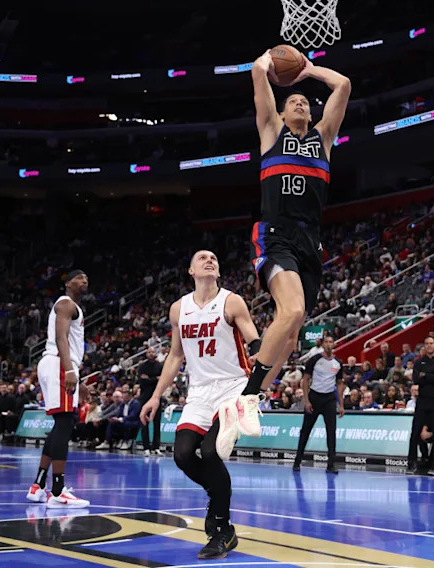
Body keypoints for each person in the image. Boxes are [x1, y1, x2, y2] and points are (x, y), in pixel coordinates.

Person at [218, 50, 351, 451]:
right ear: (281, 106)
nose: (300, 101)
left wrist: (308, 71)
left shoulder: (323, 137)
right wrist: (265, 63)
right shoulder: (271, 131)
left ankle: (240, 408)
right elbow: (258, 72)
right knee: (291, 311)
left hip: (312, 241)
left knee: (292, 336)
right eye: (294, 98)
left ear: (313, 114)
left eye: (306, 101)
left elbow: (342, 84)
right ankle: (247, 396)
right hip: (275, 232)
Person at [141, 250, 261, 560]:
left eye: (214, 259)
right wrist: (155, 395)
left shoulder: (232, 301)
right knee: (182, 454)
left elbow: (255, 342)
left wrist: (263, 370)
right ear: (191, 270)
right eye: (202, 258)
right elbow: (176, 356)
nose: (210, 260)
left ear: (218, 271)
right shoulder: (178, 309)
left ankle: (221, 529)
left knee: (210, 452)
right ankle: (216, 494)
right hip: (200, 391)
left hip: (234, 386)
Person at [25, 270, 91, 508]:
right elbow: (61, 338)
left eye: (86, 278)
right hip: (59, 363)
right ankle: (58, 490)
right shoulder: (65, 303)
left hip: (58, 364)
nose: (85, 280)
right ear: (68, 283)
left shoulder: (69, 305)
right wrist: (70, 370)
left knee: (59, 425)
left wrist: (78, 379)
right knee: (64, 424)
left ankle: (38, 486)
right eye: (79, 277)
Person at [293, 334, 345, 473]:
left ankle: (331, 464)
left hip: (329, 399)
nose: (328, 344)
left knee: (331, 432)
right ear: (323, 344)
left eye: (331, 342)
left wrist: (341, 405)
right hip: (314, 397)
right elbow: (305, 380)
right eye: (326, 342)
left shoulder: (338, 363)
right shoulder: (314, 360)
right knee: (305, 431)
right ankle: (297, 461)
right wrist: (307, 400)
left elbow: (339, 384)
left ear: (334, 344)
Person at [408, 336, 434, 475]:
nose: (429, 346)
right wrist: (433, 375)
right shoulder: (419, 362)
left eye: (431, 343)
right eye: (426, 344)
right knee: (415, 433)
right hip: (422, 401)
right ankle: (411, 463)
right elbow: (416, 379)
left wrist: (425, 375)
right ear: (424, 346)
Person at [137, 346, 164, 455]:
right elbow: (142, 381)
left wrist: (149, 379)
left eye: (153, 351)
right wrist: (155, 379)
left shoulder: (160, 366)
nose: (151, 353)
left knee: (157, 422)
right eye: (149, 352)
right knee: (144, 422)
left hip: (157, 397)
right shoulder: (142, 366)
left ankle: (156, 447)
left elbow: (161, 380)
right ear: (146, 354)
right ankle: (146, 447)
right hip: (145, 397)